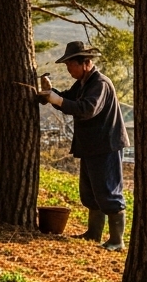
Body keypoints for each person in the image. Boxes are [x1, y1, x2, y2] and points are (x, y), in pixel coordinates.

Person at [39, 41, 129, 250]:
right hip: (91, 145)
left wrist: (56, 99)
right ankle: (93, 233)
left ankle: (117, 241)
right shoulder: (83, 83)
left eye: (71, 65)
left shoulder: (100, 83)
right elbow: (68, 99)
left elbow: (87, 109)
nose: (69, 69)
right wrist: (50, 93)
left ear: (86, 63)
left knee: (109, 192)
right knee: (91, 192)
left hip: (106, 145)